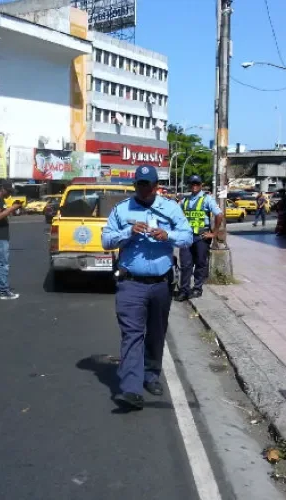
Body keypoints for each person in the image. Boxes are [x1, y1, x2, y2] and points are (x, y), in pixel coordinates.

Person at [102, 165, 193, 410]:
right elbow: (106, 241)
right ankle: (131, 389)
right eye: (140, 184)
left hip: (161, 284)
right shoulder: (122, 210)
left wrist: (169, 235)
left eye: (148, 185)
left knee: (156, 333)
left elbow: (188, 236)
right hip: (131, 283)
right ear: (135, 185)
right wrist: (128, 232)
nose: (144, 189)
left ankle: (151, 375)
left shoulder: (170, 208)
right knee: (132, 335)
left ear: (156, 186)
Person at [175, 175, 224, 302]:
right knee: (185, 265)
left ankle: (197, 288)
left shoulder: (207, 199)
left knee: (200, 263)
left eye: (197, 183)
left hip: (201, 237)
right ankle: (184, 290)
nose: (194, 186)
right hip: (187, 238)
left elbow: (219, 215)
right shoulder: (184, 201)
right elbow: (175, 214)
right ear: (189, 185)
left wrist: (214, 233)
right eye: (192, 184)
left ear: (201, 185)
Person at [0, 181, 22, 299]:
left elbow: (2, 214)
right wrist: (12, 208)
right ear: (2, 189)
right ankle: (3, 291)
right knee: (3, 264)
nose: (9, 194)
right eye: (8, 192)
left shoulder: (0, 200)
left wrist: (11, 209)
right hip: (0, 236)